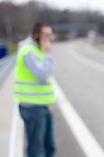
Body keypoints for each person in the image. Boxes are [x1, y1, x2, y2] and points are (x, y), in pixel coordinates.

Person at [15, 22, 56, 157]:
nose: (50, 38)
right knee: (37, 151)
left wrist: (47, 103)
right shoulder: (29, 52)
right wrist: (48, 54)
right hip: (33, 108)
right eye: (46, 35)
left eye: (50, 35)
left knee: (49, 148)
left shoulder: (37, 50)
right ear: (36, 35)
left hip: (42, 106)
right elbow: (42, 75)